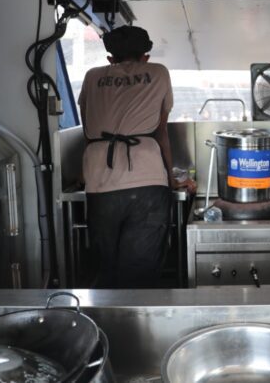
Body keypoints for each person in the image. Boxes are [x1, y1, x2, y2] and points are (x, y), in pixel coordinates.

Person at [78, 24, 194, 288]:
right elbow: (161, 132)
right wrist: (171, 179)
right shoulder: (158, 72)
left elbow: (88, 131)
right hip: (147, 181)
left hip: (99, 182)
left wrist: (85, 172)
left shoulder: (92, 76)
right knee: (141, 271)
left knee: (104, 269)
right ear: (146, 57)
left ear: (110, 59)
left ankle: (106, 314)